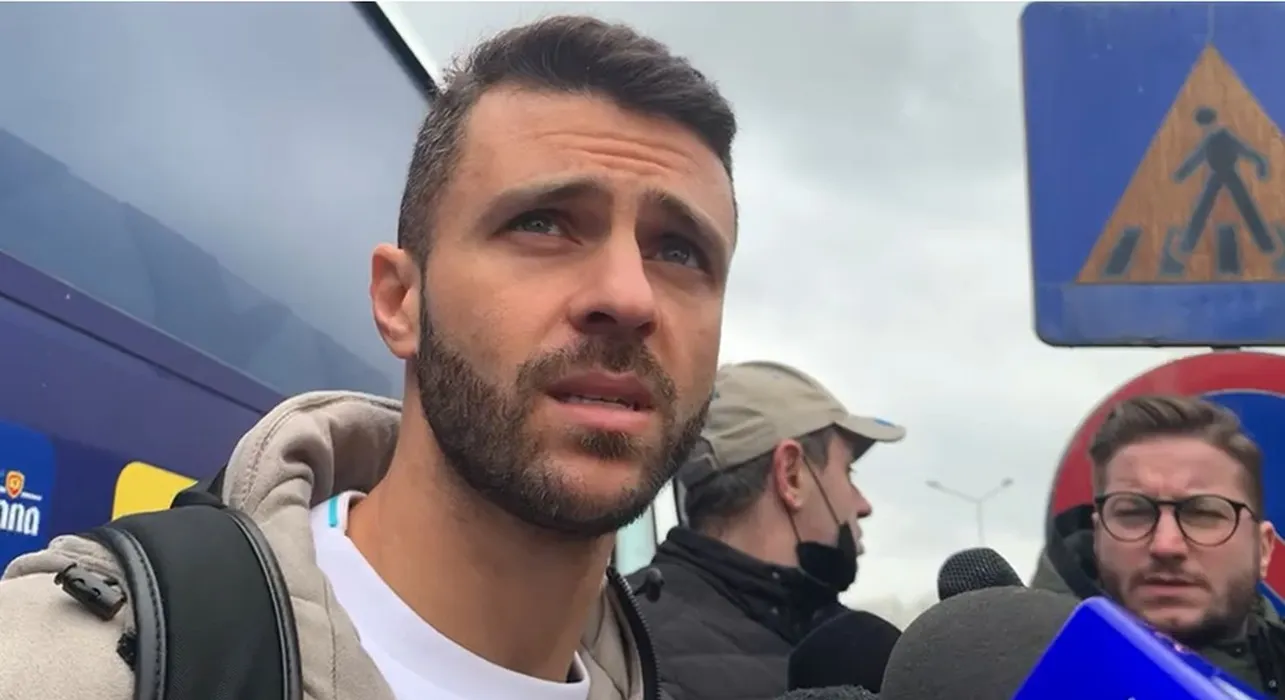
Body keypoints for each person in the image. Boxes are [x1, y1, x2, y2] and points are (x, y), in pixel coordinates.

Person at [0, 15, 738, 700]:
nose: (628, 296)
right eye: (543, 225)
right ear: (399, 301)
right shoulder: (70, 667)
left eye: (679, 251)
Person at [628, 360, 905, 700]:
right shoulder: (640, 660)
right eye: (848, 472)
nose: (863, 505)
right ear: (791, 475)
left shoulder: (617, 640)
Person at [1032, 394, 1285, 696]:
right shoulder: (1005, 672)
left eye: (1202, 513)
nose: (1166, 546)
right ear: (1098, 538)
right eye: (1133, 513)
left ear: (1263, 549)